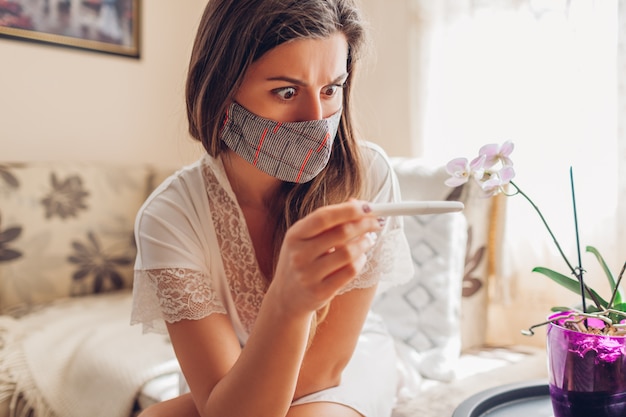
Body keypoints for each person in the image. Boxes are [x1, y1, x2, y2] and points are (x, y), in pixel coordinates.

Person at [130, 0, 413, 416]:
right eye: (286, 91)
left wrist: (226, 400)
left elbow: (328, 365)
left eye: (331, 89)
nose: (316, 119)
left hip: (342, 370)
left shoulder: (367, 176)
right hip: (229, 379)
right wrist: (286, 301)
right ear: (222, 89)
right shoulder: (170, 217)